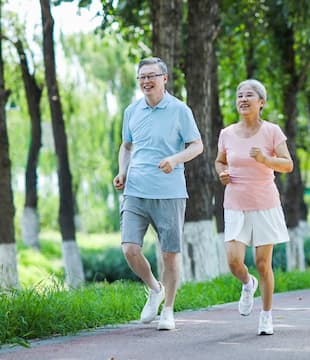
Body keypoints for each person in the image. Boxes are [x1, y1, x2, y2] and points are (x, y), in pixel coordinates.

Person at [113, 57, 203, 331]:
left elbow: (197, 145)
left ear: (164, 78)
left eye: (151, 76)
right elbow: (126, 146)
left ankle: (168, 309)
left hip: (169, 192)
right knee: (129, 248)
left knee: (169, 254)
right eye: (141, 77)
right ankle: (154, 288)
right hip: (135, 190)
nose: (145, 81)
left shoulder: (179, 110)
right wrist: (122, 172)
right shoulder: (132, 111)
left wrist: (175, 160)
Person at [215, 79, 293, 335]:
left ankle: (266, 315)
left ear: (261, 102)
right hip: (235, 204)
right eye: (239, 95)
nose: (243, 99)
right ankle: (248, 284)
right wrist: (223, 173)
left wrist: (265, 159)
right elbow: (219, 162)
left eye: (249, 95)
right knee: (234, 262)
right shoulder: (227, 133)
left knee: (262, 263)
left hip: (264, 204)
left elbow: (287, 164)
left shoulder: (272, 131)